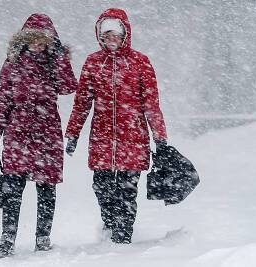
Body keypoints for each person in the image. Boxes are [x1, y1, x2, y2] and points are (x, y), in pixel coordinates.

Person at [65, 8, 168, 244]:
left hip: (133, 136)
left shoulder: (140, 62)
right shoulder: (93, 62)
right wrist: (72, 133)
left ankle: (123, 236)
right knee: (101, 187)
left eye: (115, 36)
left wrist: (159, 137)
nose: (111, 41)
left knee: (127, 190)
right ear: (100, 37)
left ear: (124, 35)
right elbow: (82, 103)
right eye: (106, 36)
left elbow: (151, 103)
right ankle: (110, 225)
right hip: (102, 137)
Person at [0, 13, 77, 257]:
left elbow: (68, 86)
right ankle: (7, 237)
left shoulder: (53, 63)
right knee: (12, 189)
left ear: (50, 42)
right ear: (23, 40)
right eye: (32, 39)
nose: (37, 44)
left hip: (48, 132)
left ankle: (43, 237)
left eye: (43, 40)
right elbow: (2, 103)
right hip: (18, 133)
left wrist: (59, 57)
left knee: (47, 188)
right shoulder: (12, 64)